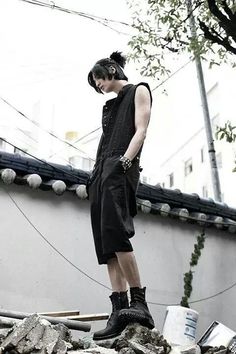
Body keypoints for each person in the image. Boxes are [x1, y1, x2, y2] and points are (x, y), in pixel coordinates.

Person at [87, 51, 154, 340]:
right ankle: (119, 309)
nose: (98, 84)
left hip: (119, 168)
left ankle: (140, 303)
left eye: (99, 78)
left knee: (117, 234)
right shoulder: (110, 106)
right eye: (95, 82)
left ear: (112, 70)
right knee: (106, 246)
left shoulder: (138, 90)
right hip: (101, 173)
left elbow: (141, 131)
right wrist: (97, 176)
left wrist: (124, 163)